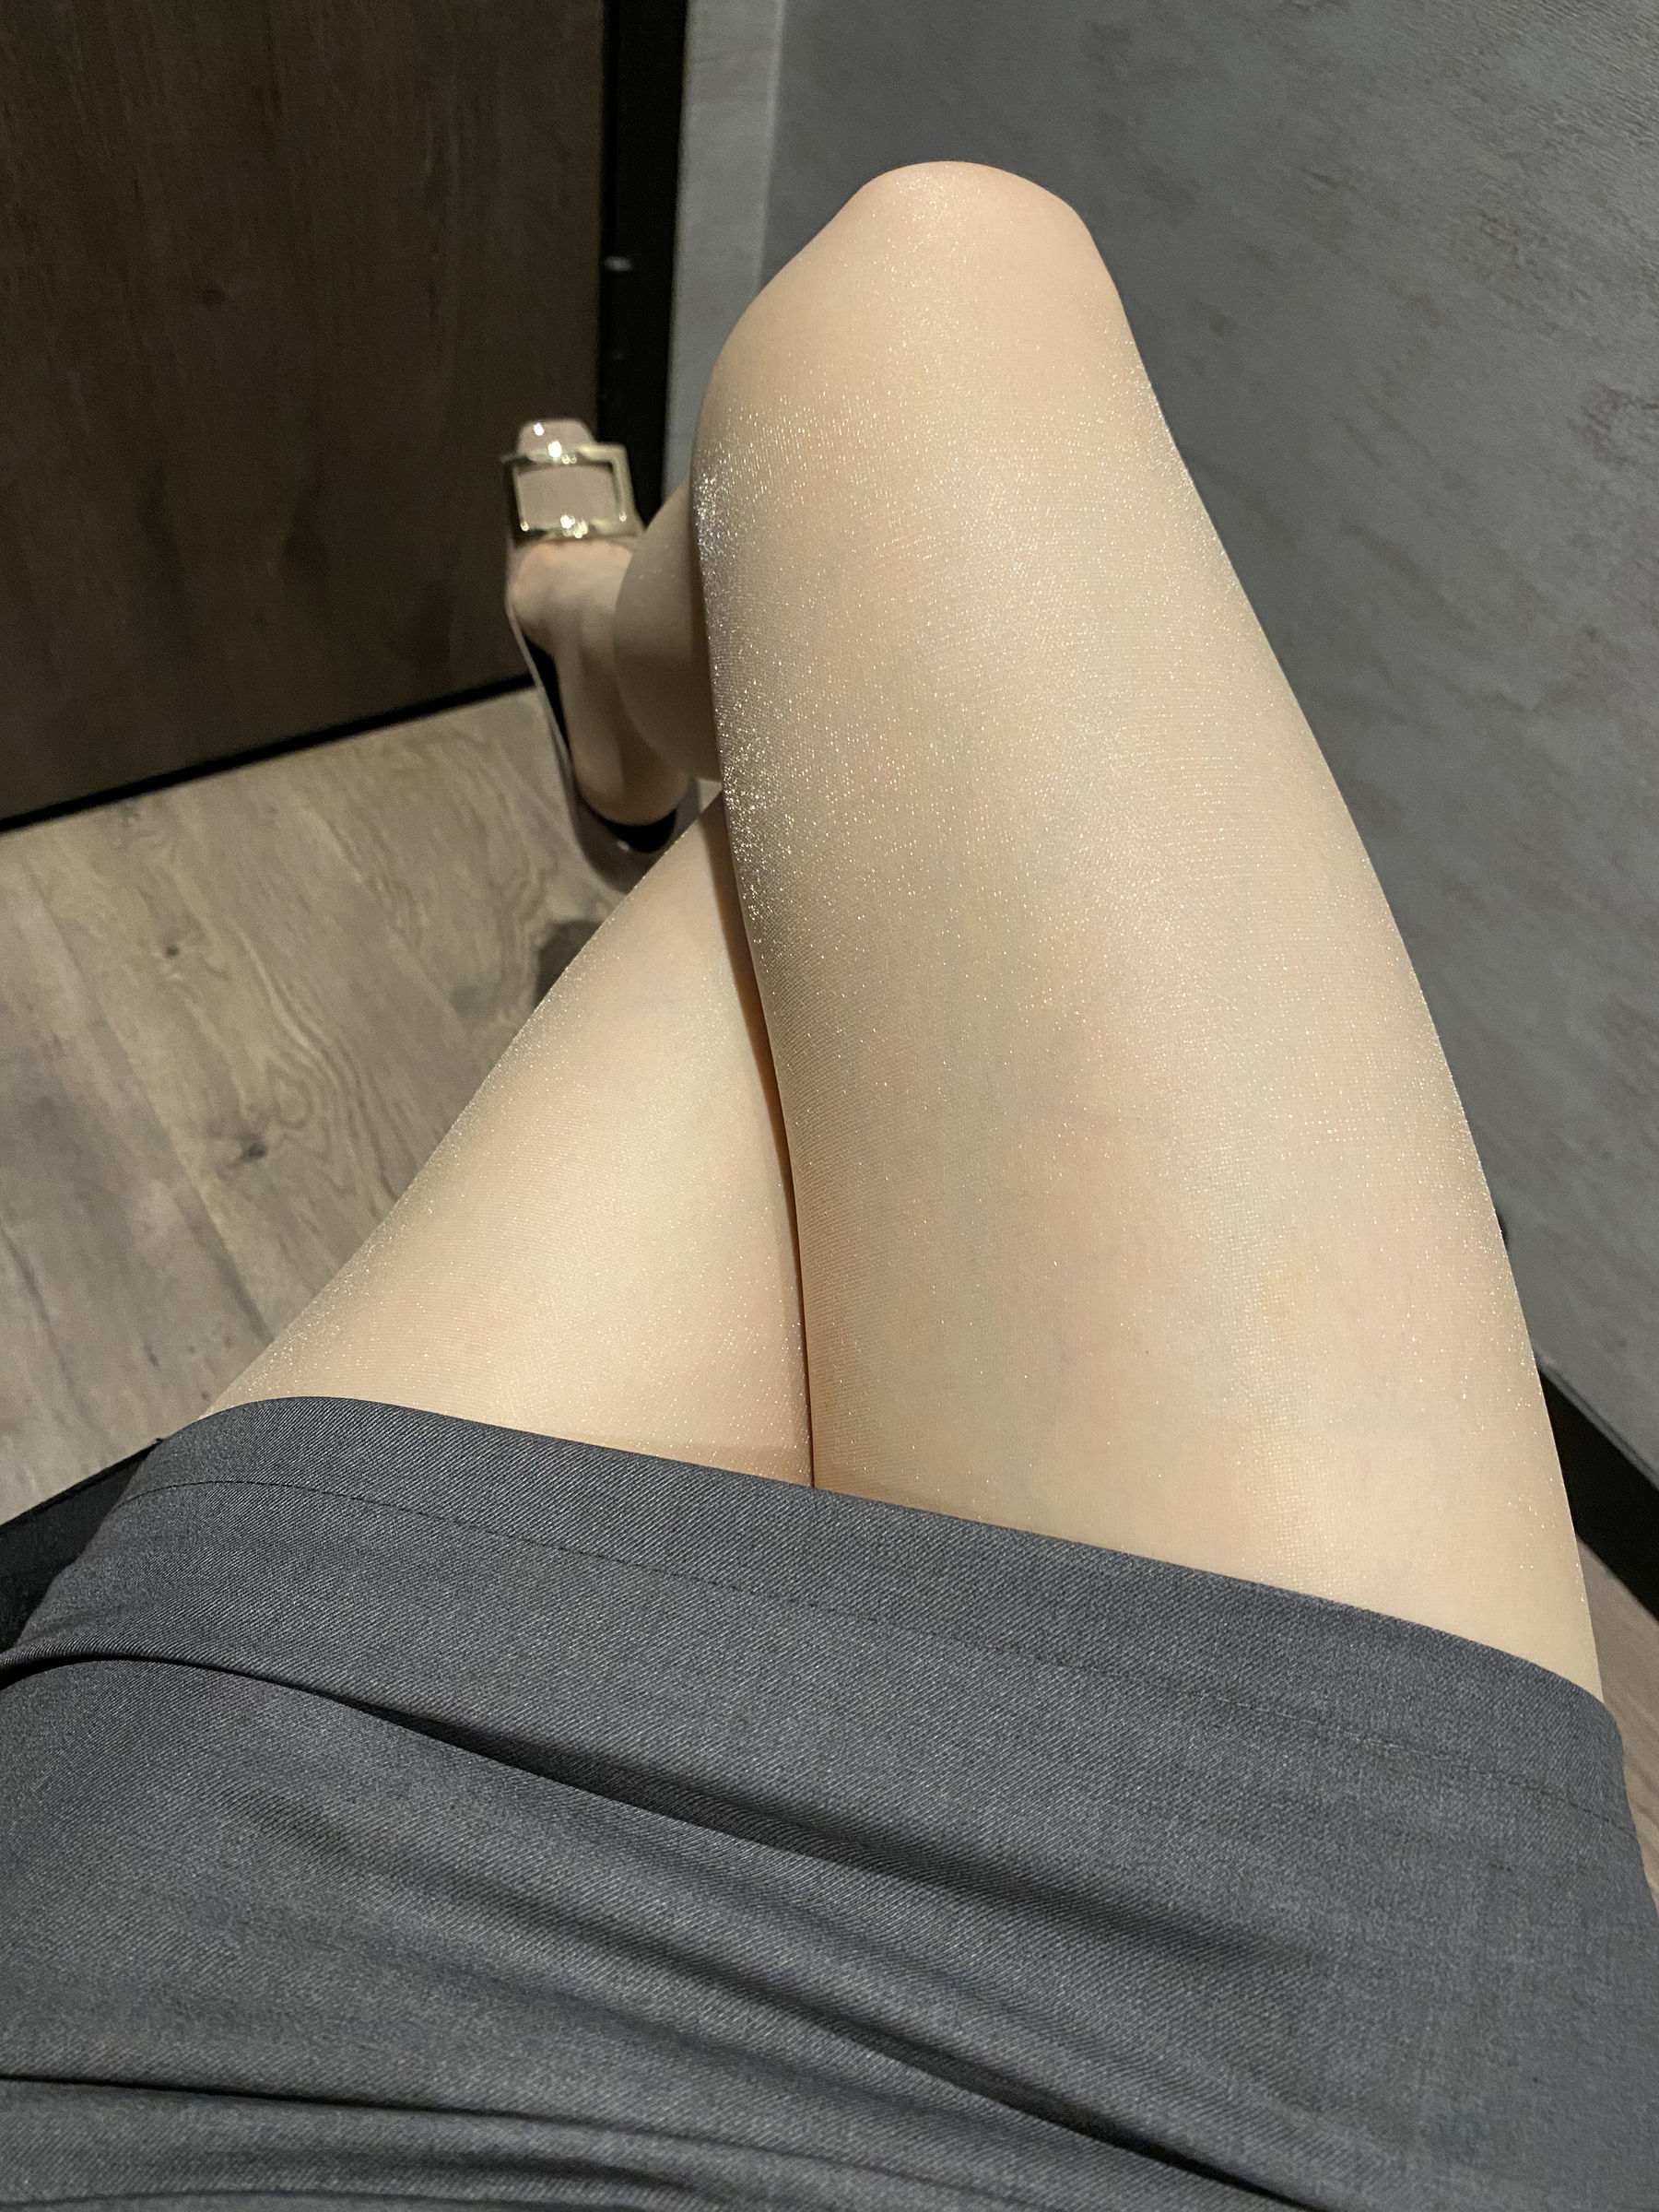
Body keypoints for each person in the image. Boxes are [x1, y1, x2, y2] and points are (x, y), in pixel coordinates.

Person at [1, 164, 1653, 2208]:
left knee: (879, 513)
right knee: (929, 327)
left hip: (268, 1964)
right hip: (1365, 2068)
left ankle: (600, 662)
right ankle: (608, 662)